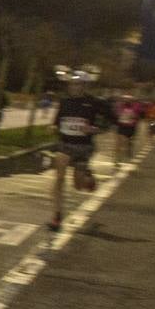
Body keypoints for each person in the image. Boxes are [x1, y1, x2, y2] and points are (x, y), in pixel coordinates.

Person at [48, 74, 110, 231]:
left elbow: (108, 122)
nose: (74, 87)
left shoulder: (93, 102)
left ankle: (88, 179)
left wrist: (94, 129)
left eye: (78, 85)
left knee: (78, 185)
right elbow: (57, 120)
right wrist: (53, 126)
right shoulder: (64, 101)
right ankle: (57, 216)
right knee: (59, 177)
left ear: (84, 86)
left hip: (83, 147)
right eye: (71, 85)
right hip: (65, 144)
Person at [113, 92, 145, 166]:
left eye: (128, 99)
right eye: (125, 99)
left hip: (131, 127)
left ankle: (129, 150)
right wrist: (117, 115)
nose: (126, 101)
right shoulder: (120, 105)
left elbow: (140, 115)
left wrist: (134, 117)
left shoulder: (137, 106)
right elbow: (116, 114)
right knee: (119, 143)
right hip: (121, 126)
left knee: (128, 142)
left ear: (132, 100)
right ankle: (117, 159)